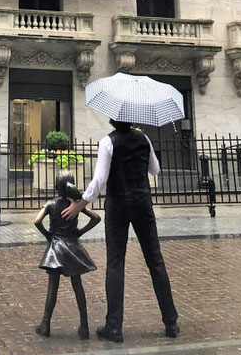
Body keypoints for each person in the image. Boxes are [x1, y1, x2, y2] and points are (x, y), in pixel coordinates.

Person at [62, 120, 179, 344]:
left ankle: (114, 327)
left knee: (116, 262)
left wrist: (81, 203)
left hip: (118, 206)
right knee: (155, 260)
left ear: (112, 119)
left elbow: (100, 180)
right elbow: (156, 170)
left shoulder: (108, 142)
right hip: (142, 203)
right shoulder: (143, 138)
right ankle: (171, 322)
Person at [33, 169, 101, 339]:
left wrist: (48, 235)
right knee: (78, 286)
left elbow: (37, 221)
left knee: (52, 288)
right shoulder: (76, 204)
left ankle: (46, 324)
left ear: (56, 186)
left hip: (56, 248)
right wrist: (79, 232)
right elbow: (96, 218)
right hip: (72, 247)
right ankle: (84, 326)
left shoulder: (51, 204)